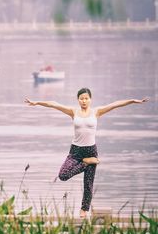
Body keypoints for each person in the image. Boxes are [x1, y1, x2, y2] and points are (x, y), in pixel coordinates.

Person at [24, 88, 149, 218]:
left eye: (86, 98)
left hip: (90, 150)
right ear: (78, 100)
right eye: (81, 98)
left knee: (88, 184)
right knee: (63, 175)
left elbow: (115, 104)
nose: (84, 101)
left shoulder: (96, 112)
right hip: (75, 151)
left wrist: (133, 101)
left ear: (90, 99)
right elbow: (54, 104)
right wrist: (37, 102)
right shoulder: (73, 112)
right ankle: (85, 163)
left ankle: (84, 210)